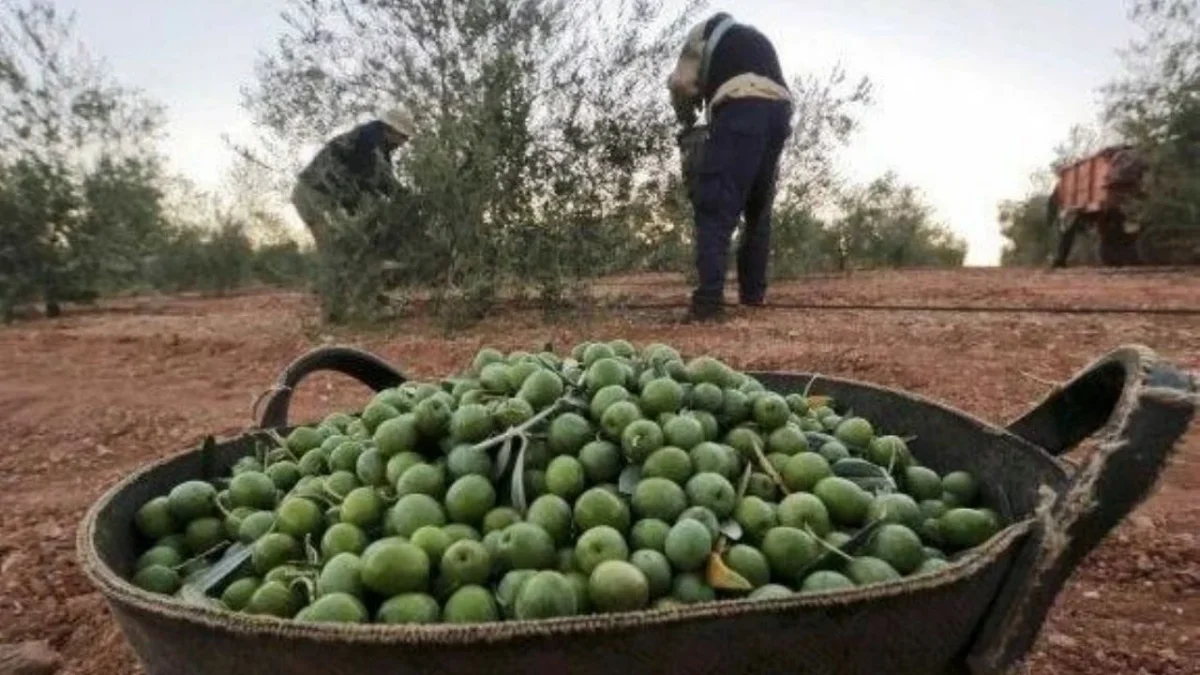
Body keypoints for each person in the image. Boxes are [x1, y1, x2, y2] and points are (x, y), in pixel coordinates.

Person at [668, 12, 793, 322]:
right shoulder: (754, 38)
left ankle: (708, 303)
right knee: (758, 205)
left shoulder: (702, 32)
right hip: (779, 112)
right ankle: (753, 296)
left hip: (740, 108)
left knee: (714, 205)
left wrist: (684, 117)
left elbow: (682, 82)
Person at [290, 109, 415, 320]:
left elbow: (377, 184)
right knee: (334, 248)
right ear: (390, 130)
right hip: (313, 195)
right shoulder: (368, 140)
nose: (403, 143)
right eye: (402, 137)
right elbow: (383, 181)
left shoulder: (376, 146)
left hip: (325, 197)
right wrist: (405, 198)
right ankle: (335, 313)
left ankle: (366, 300)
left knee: (359, 243)